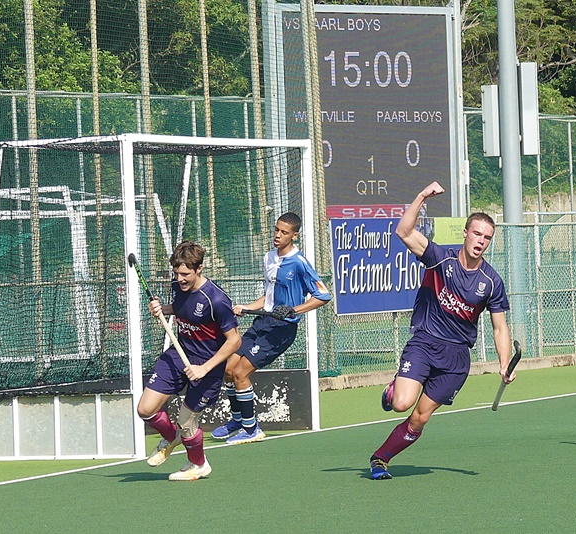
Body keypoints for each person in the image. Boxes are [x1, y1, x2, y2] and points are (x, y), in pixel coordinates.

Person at [368, 181, 515, 480]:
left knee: (419, 418)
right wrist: (421, 195)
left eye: (487, 237)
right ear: (465, 232)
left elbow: (500, 327)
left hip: (456, 359)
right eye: (476, 233)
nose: (480, 241)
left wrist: (504, 364)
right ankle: (393, 388)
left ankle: (380, 458)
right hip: (425, 343)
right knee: (401, 404)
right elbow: (404, 232)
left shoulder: (492, 281)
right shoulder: (440, 258)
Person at [211, 212, 332, 445]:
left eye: (284, 232)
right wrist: (246, 307)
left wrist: (294, 310)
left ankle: (252, 429)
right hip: (263, 322)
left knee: (240, 373)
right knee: (228, 369)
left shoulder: (300, 263)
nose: (277, 235)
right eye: (276, 230)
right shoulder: (268, 257)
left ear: (294, 235)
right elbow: (269, 297)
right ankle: (239, 420)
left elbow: (323, 296)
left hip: (282, 329)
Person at [137, 241, 241, 481]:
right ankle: (170, 436)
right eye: (177, 273)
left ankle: (198, 464)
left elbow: (234, 341)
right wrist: (163, 309)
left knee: (187, 422)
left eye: (185, 274)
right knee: (146, 408)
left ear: (199, 269)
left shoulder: (216, 300)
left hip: (207, 365)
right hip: (179, 353)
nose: (180, 279)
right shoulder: (178, 285)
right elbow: (183, 307)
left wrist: (204, 368)